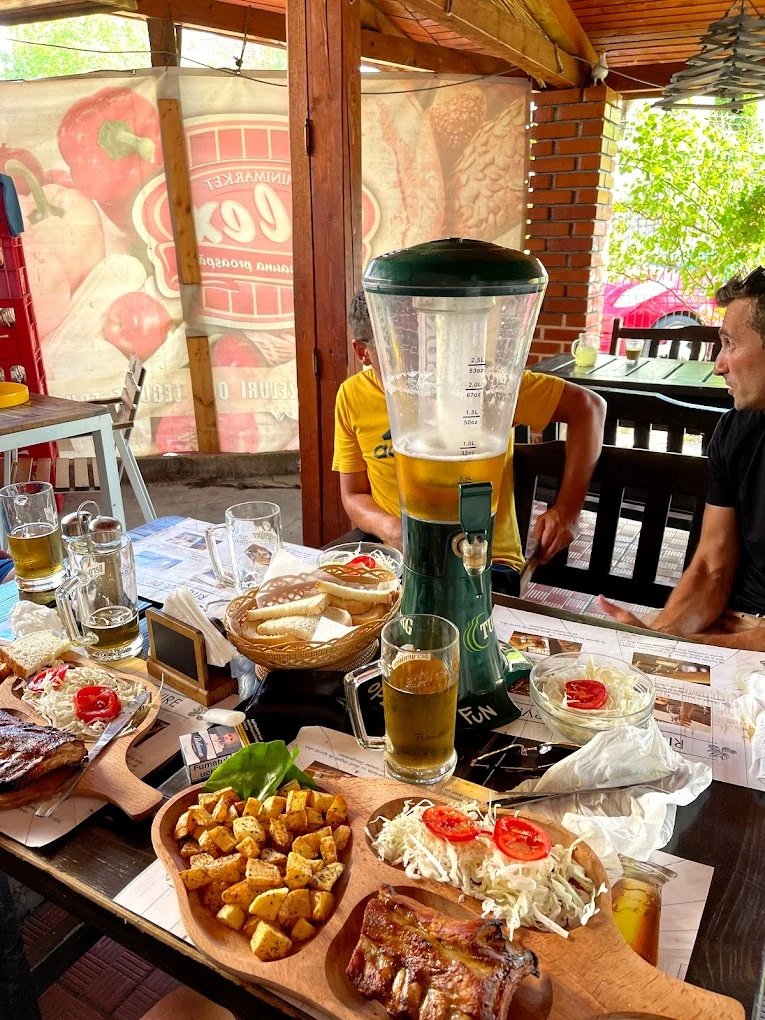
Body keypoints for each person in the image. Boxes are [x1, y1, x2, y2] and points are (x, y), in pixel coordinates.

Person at [333, 288, 606, 592]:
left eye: (427, 339)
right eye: (403, 344)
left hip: (488, 561)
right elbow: (353, 495)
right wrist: (388, 527)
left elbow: (589, 408)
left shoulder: (482, 383)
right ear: (362, 352)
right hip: (403, 562)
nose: (421, 357)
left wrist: (568, 512)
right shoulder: (352, 396)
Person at [600, 268, 765, 649]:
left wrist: (694, 647)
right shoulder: (737, 430)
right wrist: (661, 640)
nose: (719, 365)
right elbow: (712, 567)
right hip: (736, 622)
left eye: (730, 343)